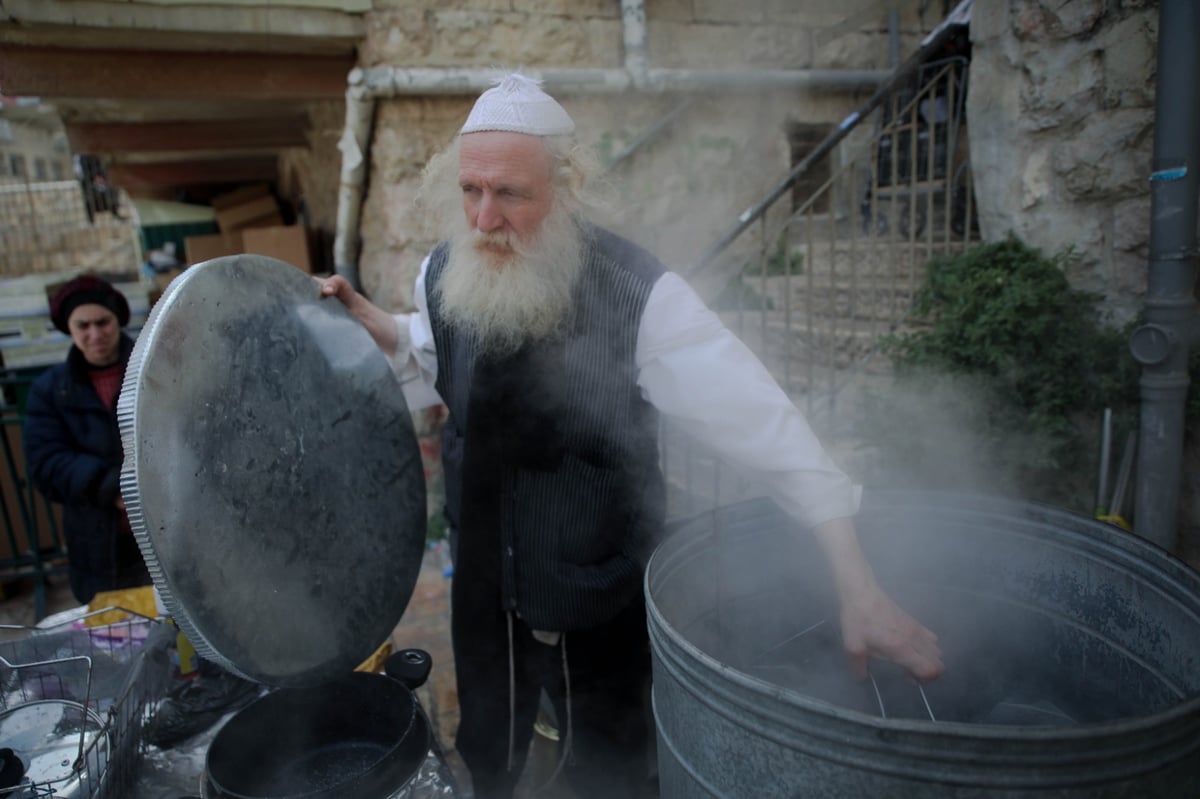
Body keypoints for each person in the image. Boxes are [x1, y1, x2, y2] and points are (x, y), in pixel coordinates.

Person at [320, 73, 945, 799]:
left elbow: (772, 432)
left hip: (596, 605)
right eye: (471, 190)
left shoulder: (641, 297)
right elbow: (436, 357)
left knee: (608, 775)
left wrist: (857, 583)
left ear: (566, 186)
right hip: (487, 591)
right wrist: (385, 327)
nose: (484, 217)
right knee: (492, 748)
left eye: (511, 194)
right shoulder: (444, 268)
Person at [23, 275, 151, 604]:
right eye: (83, 325)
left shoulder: (154, 370)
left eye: (103, 322)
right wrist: (109, 485)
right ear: (69, 327)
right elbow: (46, 463)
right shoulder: (49, 391)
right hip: (99, 543)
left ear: (118, 320)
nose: (95, 335)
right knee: (114, 632)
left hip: (162, 533)